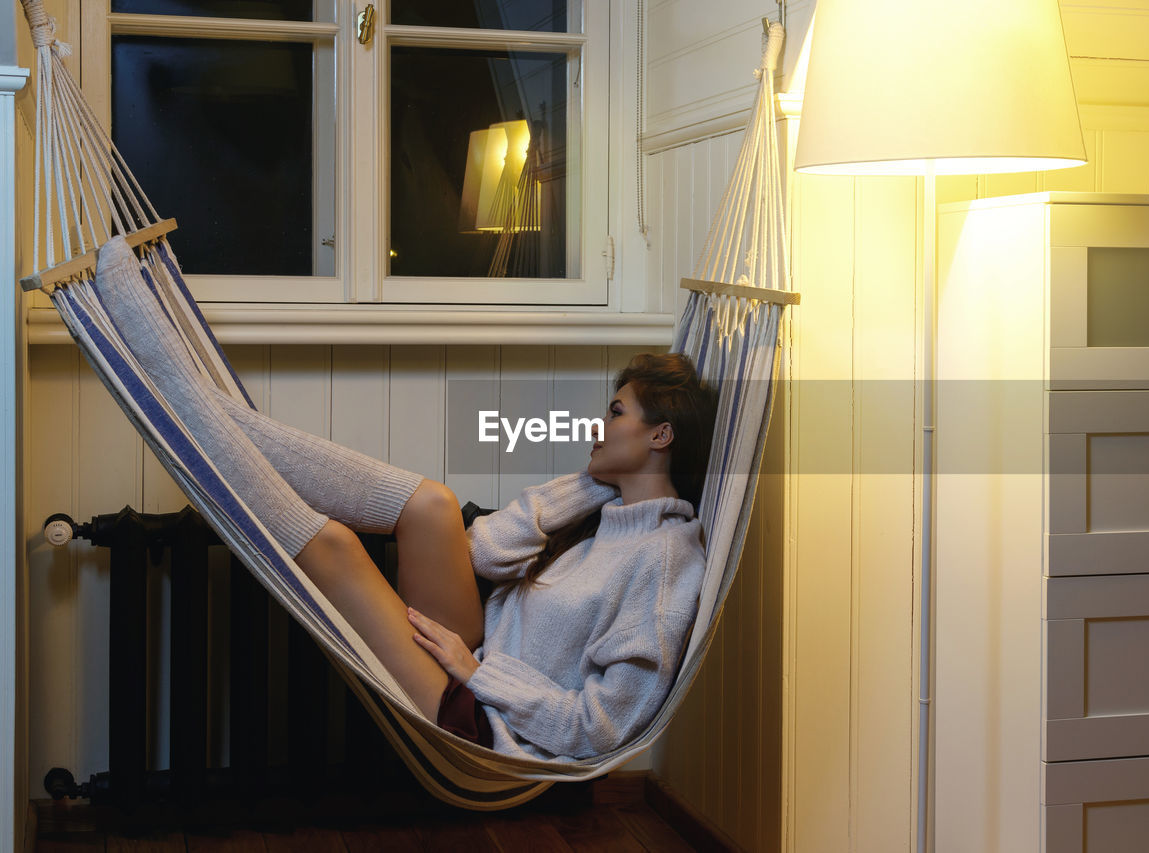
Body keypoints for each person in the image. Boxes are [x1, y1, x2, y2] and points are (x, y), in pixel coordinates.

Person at [92, 235, 719, 762]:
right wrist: (594, 482)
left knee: (336, 546)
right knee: (434, 506)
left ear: (661, 435)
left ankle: (181, 395)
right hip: (476, 656)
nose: (596, 427)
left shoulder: (667, 560)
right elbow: (482, 553)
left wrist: (479, 676)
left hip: (489, 722)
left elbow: (601, 728)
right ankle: (200, 407)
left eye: (614, 414)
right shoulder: (598, 516)